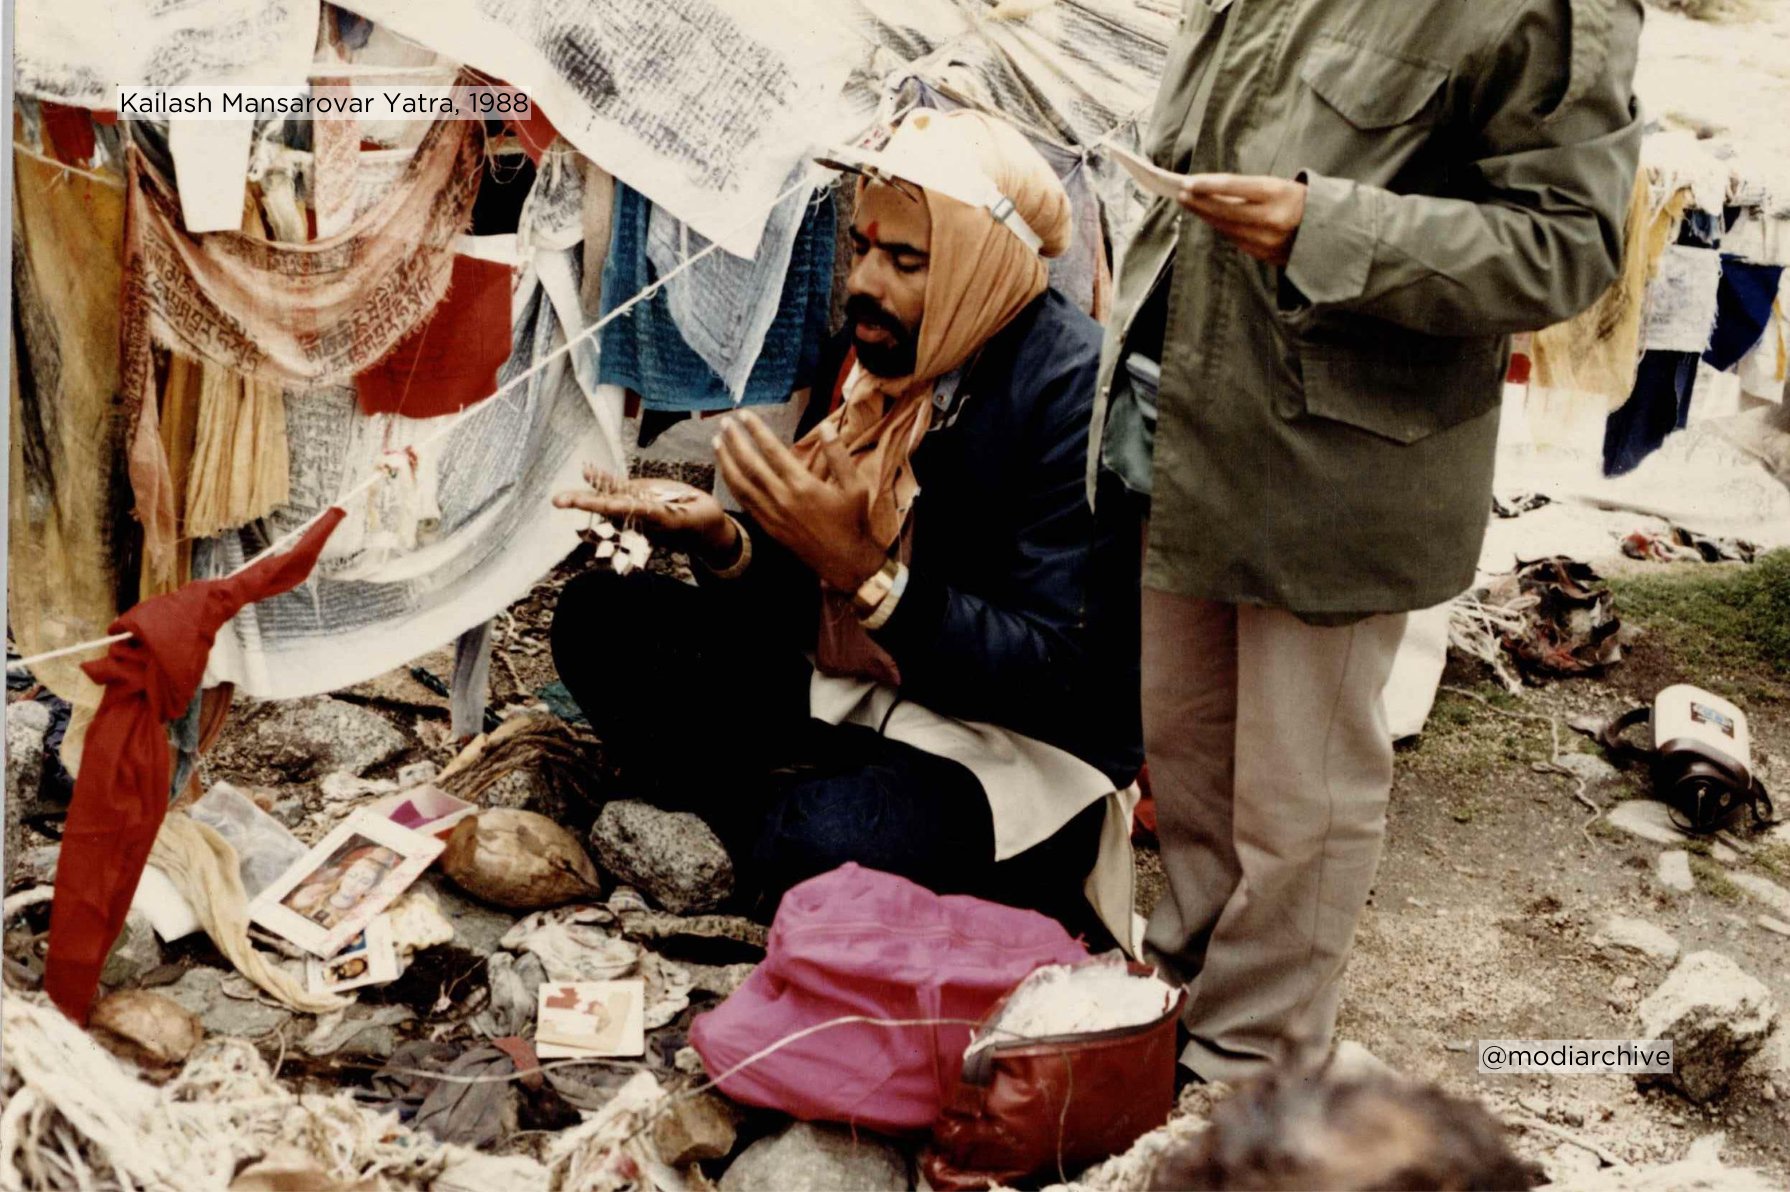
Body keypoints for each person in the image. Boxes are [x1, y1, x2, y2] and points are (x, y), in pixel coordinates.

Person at [1093, 1, 1644, 1081]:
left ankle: (1254, 1055)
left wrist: (1326, 228)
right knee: (1191, 753)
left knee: (1297, 789)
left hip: (1342, 456)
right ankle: (1182, 993)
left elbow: (1567, 248)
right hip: (1192, 417)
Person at [551, 110, 1143, 939]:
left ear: (978, 264)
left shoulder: (1079, 397)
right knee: (600, 618)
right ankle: (784, 814)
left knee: (819, 841)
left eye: (905, 260)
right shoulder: (869, 358)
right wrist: (724, 543)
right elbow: (801, 608)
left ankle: (782, 821)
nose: (864, 281)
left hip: (1010, 751)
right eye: (863, 248)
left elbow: (1060, 676)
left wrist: (870, 575)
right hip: (858, 695)